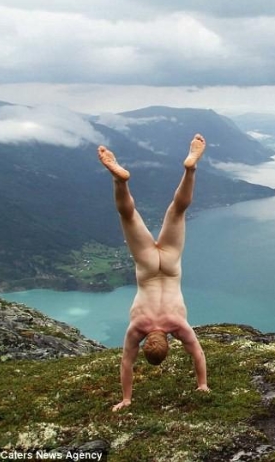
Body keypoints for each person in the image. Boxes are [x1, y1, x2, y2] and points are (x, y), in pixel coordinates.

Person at [98, 134, 210, 412]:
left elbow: (196, 353)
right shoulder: (137, 329)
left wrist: (202, 383)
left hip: (170, 266)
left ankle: (190, 169)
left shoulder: (178, 326)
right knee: (129, 215)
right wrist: (126, 398)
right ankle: (120, 181)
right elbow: (126, 361)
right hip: (148, 267)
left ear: (167, 345)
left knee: (178, 211)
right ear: (148, 341)